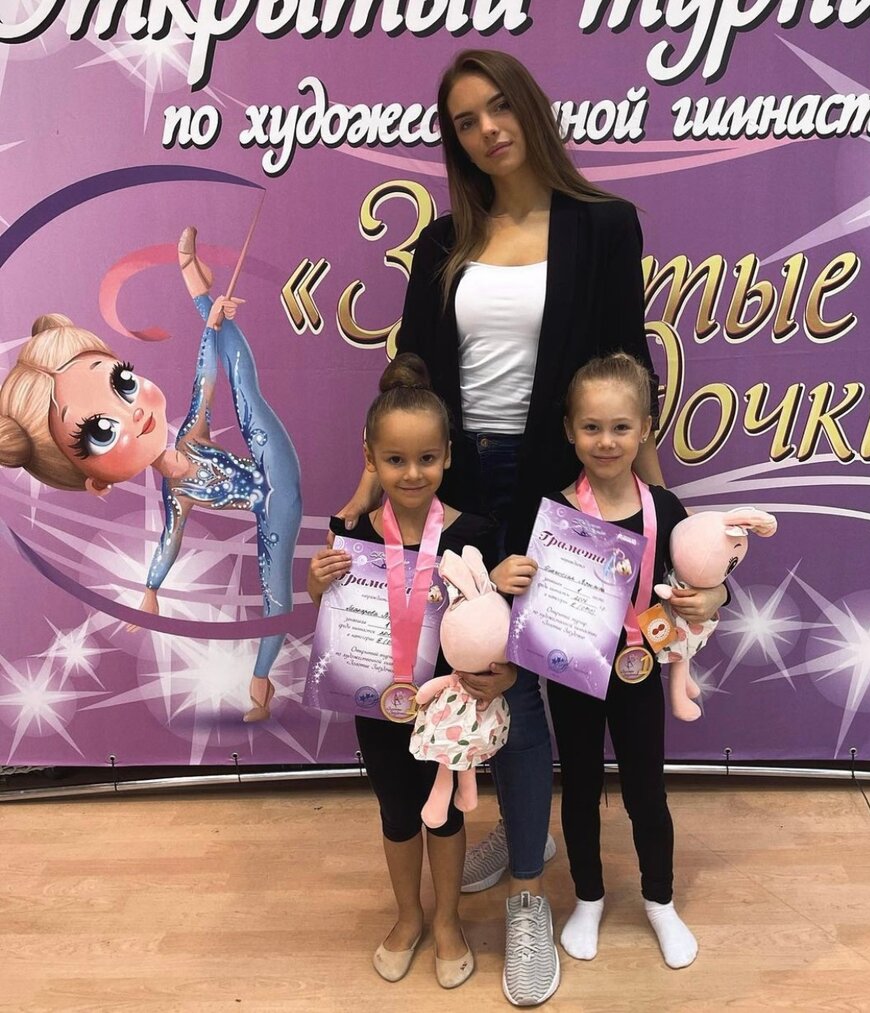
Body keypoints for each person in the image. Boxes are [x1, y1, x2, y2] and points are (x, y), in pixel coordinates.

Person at [336, 49, 666, 1007]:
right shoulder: (445, 241)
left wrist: (654, 515)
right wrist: (364, 499)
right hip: (457, 484)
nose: (486, 129)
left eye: (498, 107)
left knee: (537, 686)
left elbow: (627, 373)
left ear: (529, 108)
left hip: (562, 483)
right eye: (464, 120)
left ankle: (528, 894)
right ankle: (525, 840)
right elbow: (410, 377)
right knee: (482, 676)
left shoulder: (604, 225)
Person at [0, 227, 302, 722]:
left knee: (243, 382)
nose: (134, 412)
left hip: (272, 462)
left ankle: (199, 289)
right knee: (276, 596)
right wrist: (151, 591)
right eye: (101, 432)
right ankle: (261, 685)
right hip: (274, 513)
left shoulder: (190, 435)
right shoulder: (175, 495)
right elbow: (169, 541)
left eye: (122, 382)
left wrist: (211, 323)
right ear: (98, 482)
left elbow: (207, 378)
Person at [307, 352, 508, 989]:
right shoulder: (352, 534)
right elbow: (330, 616)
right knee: (397, 812)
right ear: (370, 458)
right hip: (379, 704)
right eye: (395, 459)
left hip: (451, 705)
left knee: (442, 813)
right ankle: (408, 916)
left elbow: (500, 625)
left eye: (426, 458)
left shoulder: (477, 533)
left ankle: (447, 920)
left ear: (447, 456)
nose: (413, 472)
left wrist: (502, 675)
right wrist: (316, 584)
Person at [543, 353, 725, 968]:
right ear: (569, 431)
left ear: (645, 429)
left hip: (640, 673)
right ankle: (588, 897)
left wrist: (715, 596)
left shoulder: (666, 509)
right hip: (573, 674)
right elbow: (524, 593)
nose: (606, 441)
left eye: (621, 427)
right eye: (591, 427)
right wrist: (512, 574)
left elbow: (711, 576)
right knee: (580, 787)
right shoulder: (553, 512)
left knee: (647, 789)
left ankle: (660, 900)